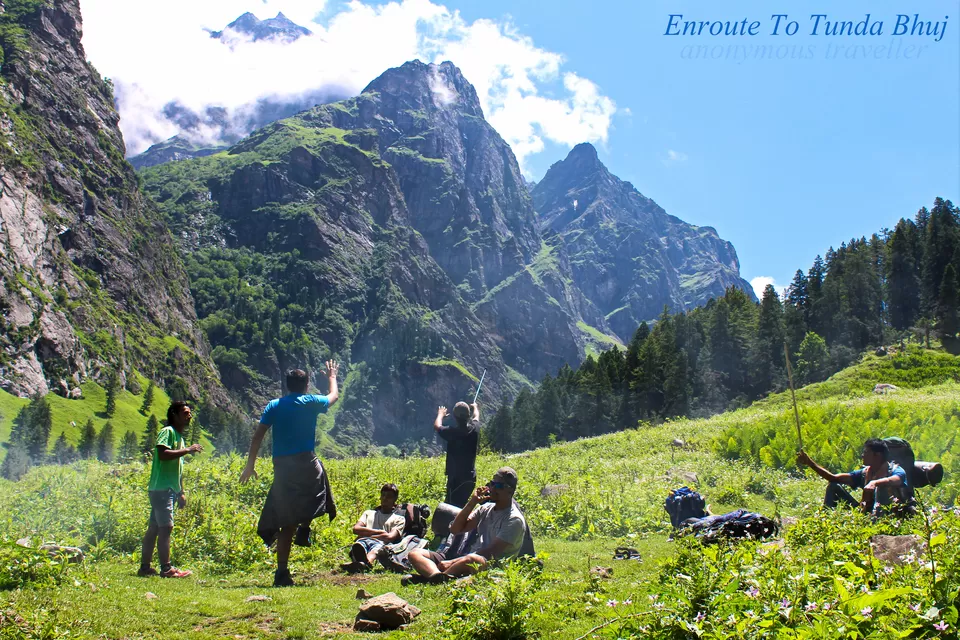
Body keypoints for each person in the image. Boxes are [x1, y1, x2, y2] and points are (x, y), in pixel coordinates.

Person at [239, 363, 340, 587]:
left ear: (287, 386)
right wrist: (332, 376)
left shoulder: (274, 406)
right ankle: (305, 527)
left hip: (282, 467)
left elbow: (257, 437)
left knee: (286, 523)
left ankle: (282, 572)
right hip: (305, 461)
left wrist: (250, 465)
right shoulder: (311, 402)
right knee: (318, 482)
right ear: (306, 385)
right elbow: (333, 396)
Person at [402, 467, 526, 585]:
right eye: (492, 483)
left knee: (472, 559)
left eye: (498, 486)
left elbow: (491, 553)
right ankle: (436, 577)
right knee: (415, 553)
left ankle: (431, 578)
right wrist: (472, 502)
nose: (492, 488)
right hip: (466, 558)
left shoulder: (514, 520)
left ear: (510, 490)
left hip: (491, 565)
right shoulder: (486, 509)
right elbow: (456, 529)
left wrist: (451, 562)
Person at [139, 401, 203, 578]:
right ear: (174, 415)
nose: (189, 416)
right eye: (185, 413)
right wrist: (188, 450)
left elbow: (178, 468)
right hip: (162, 489)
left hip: (166, 489)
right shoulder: (167, 432)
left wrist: (181, 491)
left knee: (154, 528)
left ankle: (145, 567)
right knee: (166, 528)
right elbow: (163, 454)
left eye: (189, 413)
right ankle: (166, 569)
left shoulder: (179, 437)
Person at [797, 438, 914, 516]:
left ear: (877, 455)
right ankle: (826, 518)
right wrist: (810, 463)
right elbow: (834, 478)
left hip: (892, 514)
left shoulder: (895, 470)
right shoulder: (864, 473)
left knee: (882, 487)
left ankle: (876, 523)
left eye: (866, 452)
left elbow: (897, 480)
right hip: (865, 512)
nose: (862, 455)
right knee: (833, 486)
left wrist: (875, 483)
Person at [341, 483, 406, 573]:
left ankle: (364, 563)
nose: (385, 498)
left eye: (389, 496)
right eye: (383, 495)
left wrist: (366, 533)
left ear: (394, 500)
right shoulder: (368, 513)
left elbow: (390, 537)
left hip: (381, 544)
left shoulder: (399, 519)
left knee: (376, 549)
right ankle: (362, 564)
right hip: (363, 541)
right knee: (359, 546)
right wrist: (381, 532)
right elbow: (356, 529)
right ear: (380, 497)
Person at [435, 402, 479, 507]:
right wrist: (475, 407)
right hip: (470, 478)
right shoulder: (475, 429)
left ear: (455, 417)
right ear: (469, 416)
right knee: (461, 505)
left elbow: (437, 426)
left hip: (456, 479)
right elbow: (476, 416)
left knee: (451, 507)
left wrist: (440, 414)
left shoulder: (452, 432)